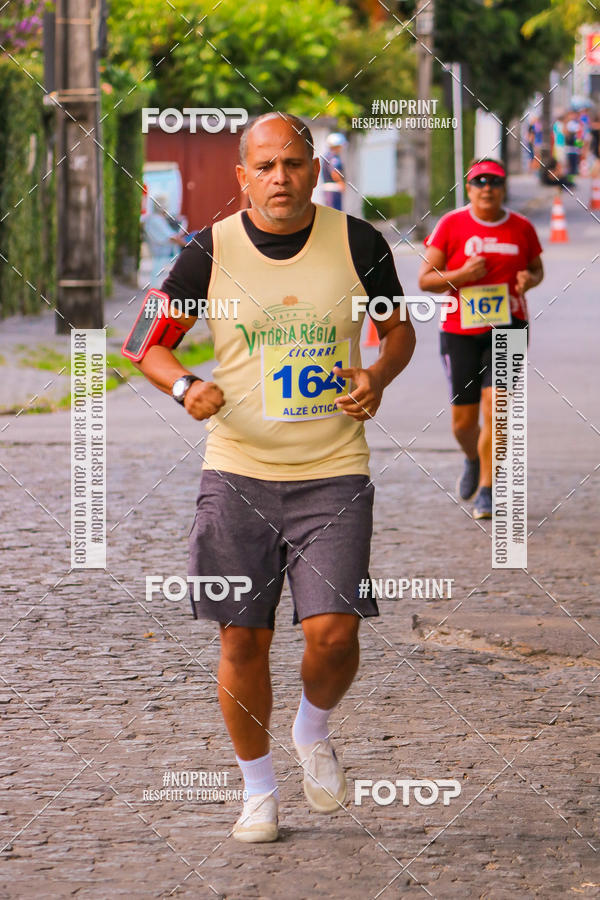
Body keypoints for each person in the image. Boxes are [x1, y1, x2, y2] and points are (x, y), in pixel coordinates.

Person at [125, 112, 415, 842]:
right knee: (241, 642)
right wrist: (184, 386)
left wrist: (377, 374)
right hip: (237, 472)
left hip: (333, 471)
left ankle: (311, 731)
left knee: (334, 633)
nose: (279, 178)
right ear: (242, 177)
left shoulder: (357, 243)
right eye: (265, 166)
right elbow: (144, 343)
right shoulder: (207, 251)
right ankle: (258, 792)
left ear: (315, 171)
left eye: (292, 164)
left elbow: (399, 329)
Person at [418, 158, 544, 519]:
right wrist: (462, 273)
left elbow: (536, 268)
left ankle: (489, 487)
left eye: (494, 182)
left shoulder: (520, 227)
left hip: (510, 326)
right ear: (469, 188)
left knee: (497, 407)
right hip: (460, 330)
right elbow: (426, 280)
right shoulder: (451, 224)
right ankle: (473, 456)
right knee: (464, 422)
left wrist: (529, 281)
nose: (487, 188)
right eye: (480, 182)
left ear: (503, 188)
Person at [143, 195, 186, 283]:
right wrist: (188, 244)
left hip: (163, 251)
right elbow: (171, 238)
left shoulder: (153, 219)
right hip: (164, 252)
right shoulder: (156, 220)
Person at [321, 132, 347, 210]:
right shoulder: (333, 158)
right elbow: (334, 172)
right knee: (335, 212)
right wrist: (341, 183)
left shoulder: (328, 156)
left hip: (330, 189)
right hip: (333, 189)